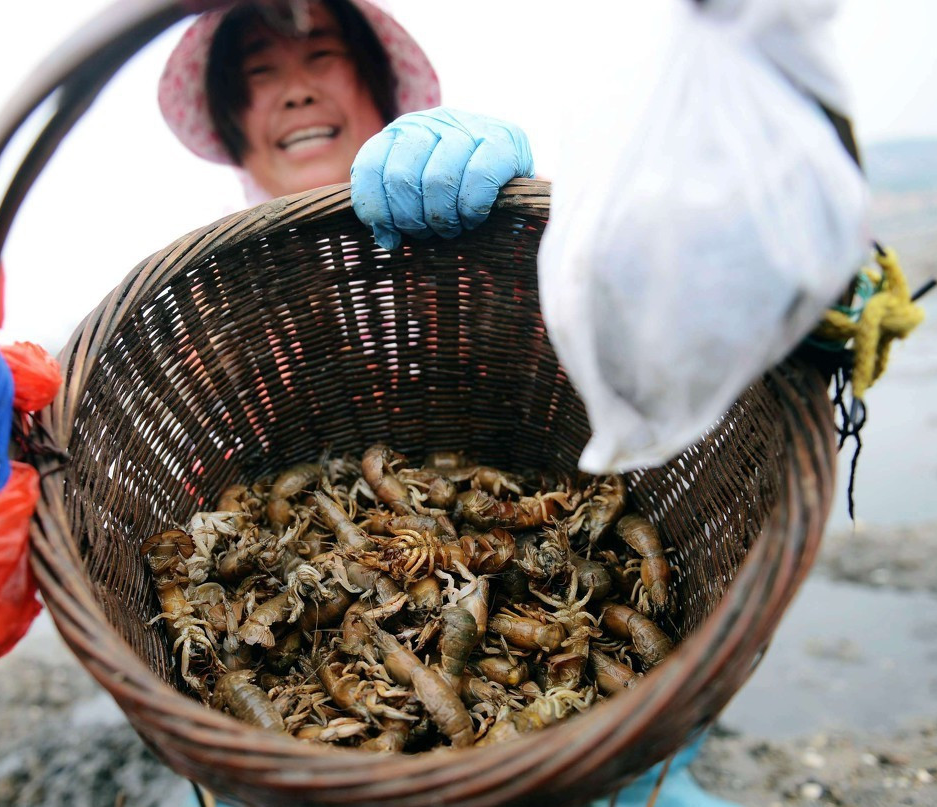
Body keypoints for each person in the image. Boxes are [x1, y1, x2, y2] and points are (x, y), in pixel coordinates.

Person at [159, 3, 736, 806]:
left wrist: (523, 205)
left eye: (321, 56)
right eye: (258, 75)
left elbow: (615, 328)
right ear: (232, 127)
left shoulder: (483, 256)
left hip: (601, 760)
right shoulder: (214, 325)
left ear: (380, 89)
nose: (292, 91)